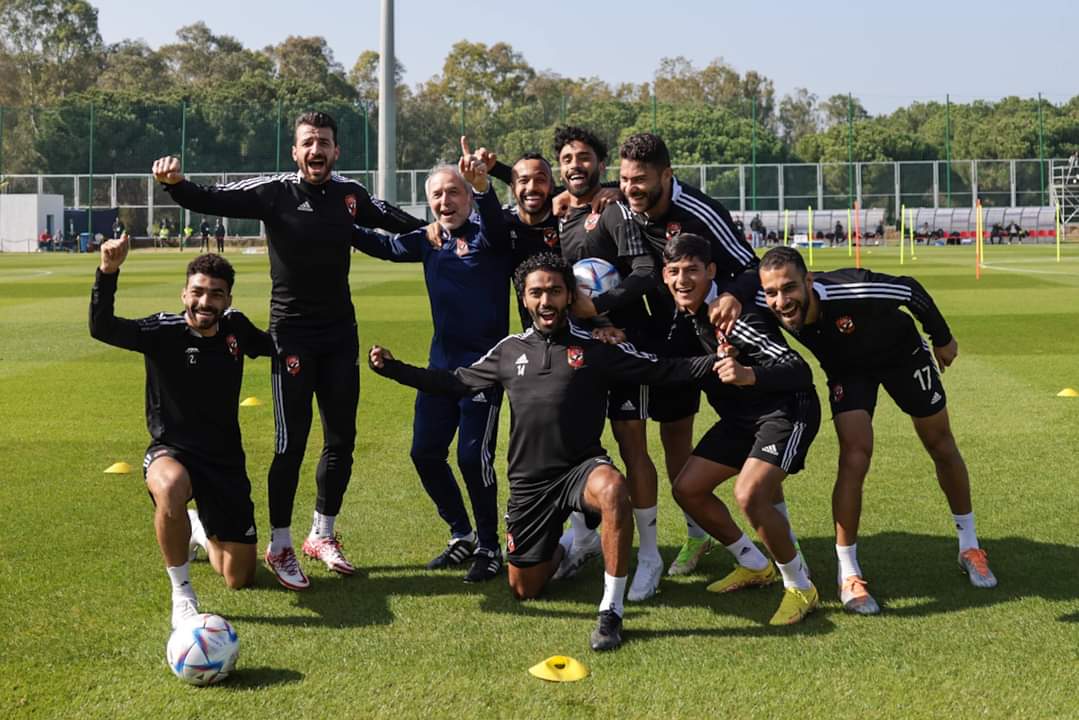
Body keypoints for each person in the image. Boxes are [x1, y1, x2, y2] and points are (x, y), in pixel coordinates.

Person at [368, 252, 720, 651]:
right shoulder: (509, 350)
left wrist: (716, 362)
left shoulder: (595, 348)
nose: (546, 300)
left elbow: (663, 370)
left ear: (570, 296)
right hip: (530, 483)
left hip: (581, 469)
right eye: (536, 292)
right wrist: (394, 369)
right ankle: (570, 547)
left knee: (612, 489)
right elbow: (455, 382)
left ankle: (611, 610)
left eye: (555, 291)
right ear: (524, 299)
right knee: (524, 588)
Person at [152, 110, 425, 591]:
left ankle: (322, 534)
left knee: (341, 440)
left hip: (340, 336)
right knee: (290, 443)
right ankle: (280, 543)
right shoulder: (274, 192)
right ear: (295, 151)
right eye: (308, 142)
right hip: (292, 339)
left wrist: (438, 229)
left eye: (324, 142)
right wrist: (175, 185)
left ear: (336, 151)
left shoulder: (350, 195)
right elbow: (213, 197)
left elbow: (395, 220)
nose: (316, 150)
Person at [758, 246, 997, 615]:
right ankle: (848, 573)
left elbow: (910, 289)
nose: (781, 301)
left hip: (903, 357)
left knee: (940, 443)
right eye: (771, 292)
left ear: (808, 281)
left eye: (789, 288)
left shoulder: (853, 289)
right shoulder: (770, 306)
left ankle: (969, 546)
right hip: (848, 372)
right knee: (854, 456)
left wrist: (942, 337)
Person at [89, 235, 276, 629]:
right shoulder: (163, 330)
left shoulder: (236, 329)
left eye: (216, 294)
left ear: (228, 300)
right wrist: (108, 272)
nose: (205, 302)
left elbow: (274, 346)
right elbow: (102, 327)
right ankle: (183, 594)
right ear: (184, 294)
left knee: (238, 577)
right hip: (171, 452)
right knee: (171, 485)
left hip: (224, 462)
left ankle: (197, 528)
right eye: (198, 292)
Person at [350, 149, 510, 582]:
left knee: (472, 458)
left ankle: (490, 547)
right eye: (437, 195)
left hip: (484, 371)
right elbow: (384, 246)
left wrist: (485, 187)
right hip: (439, 368)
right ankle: (462, 534)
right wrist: (338, 223)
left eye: (453, 192)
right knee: (424, 453)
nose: (445, 201)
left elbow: (496, 226)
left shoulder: (490, 236)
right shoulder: (429, 239)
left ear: (469, 197)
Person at [614, 132, 761, 579]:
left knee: (752, 435)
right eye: (623, 179)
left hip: (716, 336)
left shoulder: (700, 211)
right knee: (675, 439)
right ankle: (698, 536)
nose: (630, 188)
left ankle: (781, 540)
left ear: (666, 175)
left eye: (639, 180)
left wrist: (733, 296)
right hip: (666, 342)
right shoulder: (622, 204)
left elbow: (751, 265)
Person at [663, 234, 821, 625]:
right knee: (687, 489)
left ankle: (800, 586)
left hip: (786, 411)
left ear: (711, 271)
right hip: (741, 420)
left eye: (692, 271)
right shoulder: (683, 315)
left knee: (750, 494)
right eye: (674, 272)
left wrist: (748, 374)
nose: (682, 280)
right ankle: (753, 563)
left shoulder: (736, 318)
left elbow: (799, 370)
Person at [547, 125, 666, 601]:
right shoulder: (561, 214)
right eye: (567, 159)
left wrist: (601, 307)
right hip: (579, 350)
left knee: (632, 445)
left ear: (600, 163)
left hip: (621, 346)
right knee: (576, 442)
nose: (575, 165)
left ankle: (650, 556)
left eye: (584, 157)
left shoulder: (613, 211)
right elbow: (522, 182)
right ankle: (583, 538)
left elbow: (646, 272)